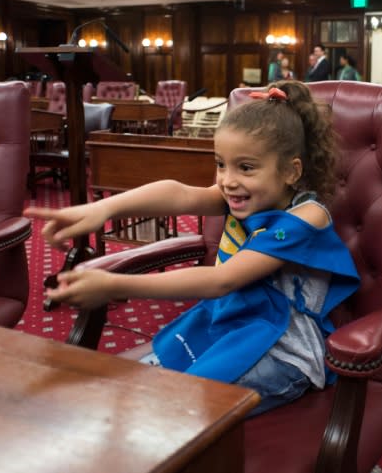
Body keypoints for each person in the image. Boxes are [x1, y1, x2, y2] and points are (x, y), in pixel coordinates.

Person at [24, 80, 361, 416]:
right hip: (232, 320)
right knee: (128, 383)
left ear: (291, 171)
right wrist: (102, 209)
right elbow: (180, 193)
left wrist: (115, 284)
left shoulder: (308, 215)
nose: (227, 180)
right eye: (220, 164)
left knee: (174, 405)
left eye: (245, 167)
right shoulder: (245, 194)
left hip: (283, 349)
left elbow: (222, 281)